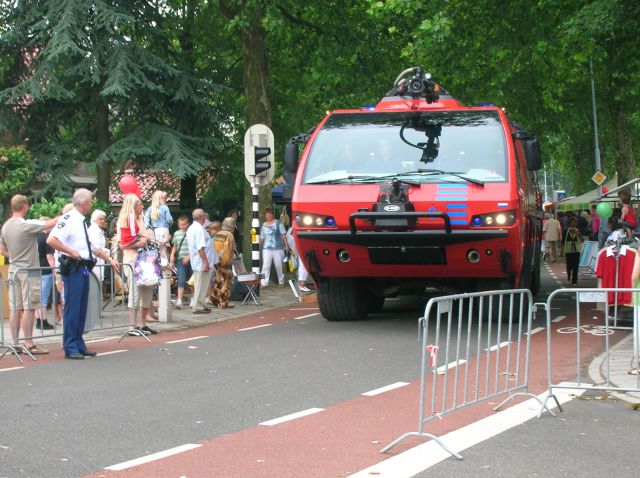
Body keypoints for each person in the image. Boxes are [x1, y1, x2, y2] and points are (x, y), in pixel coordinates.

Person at [47, 189, 119, 359]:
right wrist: (71, 251)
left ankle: (78, 343)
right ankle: (70, 346)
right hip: (73, 268)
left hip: (83, 268)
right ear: (85, 203)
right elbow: (52, 239)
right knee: (73, 307)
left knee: (81, 307)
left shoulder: (81, 221)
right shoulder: (69, 219)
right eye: (91, 201)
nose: (92, 204)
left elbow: (91, 245)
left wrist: (108, 258)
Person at [0, 195, 59, 355]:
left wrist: (11, 256)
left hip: (14, 270)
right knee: (30, 307)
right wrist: (65, 214)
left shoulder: (6, 226)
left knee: (15, 308)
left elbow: (2, 249)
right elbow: (49, 223)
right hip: (29, 271)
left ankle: (16, 344)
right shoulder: (25, 225)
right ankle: (29, 343)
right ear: (25, 205)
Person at [115, 193, 157, 336]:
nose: (142, 206)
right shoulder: (125, 222)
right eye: (139, 204)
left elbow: (146, 238)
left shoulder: (141, 220)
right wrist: (143, 240)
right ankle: (131, 327)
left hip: (146, 261)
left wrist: (144, 239)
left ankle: (142, 324)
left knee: (147, 292)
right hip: (132, 261)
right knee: (135, 292)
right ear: (133, 206)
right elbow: (124, 244)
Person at [186, 208, 218, 313]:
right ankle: (197, 306)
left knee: (202, 283)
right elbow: (201, 248)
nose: (205, 217)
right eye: (204, 215)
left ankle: (201, 303)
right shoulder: (199, 229)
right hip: (201, 262)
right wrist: (206, 262)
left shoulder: (191, 228)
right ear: (201, 217)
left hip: (197, 260)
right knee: (201, 284)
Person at [86, 209, 110, 330]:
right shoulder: (93, 231)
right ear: (94, 220)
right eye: (100, 219)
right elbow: (96, 247)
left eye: (103, 219)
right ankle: (93, 311)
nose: (103, 221)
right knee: (94, 286)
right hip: (96, 261)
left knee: (98, 285)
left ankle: (96, 310)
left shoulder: (97, 230)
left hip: (100, 261)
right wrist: (108, 253)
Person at [210, 217, 236, 309]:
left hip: (216, 261)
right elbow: (228, 250)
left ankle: (214, 299)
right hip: (224, 262)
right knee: (226, 282)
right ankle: (223, 302)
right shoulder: (229, 235)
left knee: (218, 281)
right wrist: (228, 262)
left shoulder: (218, 234)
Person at [259, 207, 288, 287]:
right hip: (266, 248)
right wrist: (258, 244)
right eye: (266, 215)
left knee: (278, 265)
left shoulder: (279, 223)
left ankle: (281, 281)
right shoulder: (264, 225)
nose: (268, 216)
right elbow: (262, 237)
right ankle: (264, 283)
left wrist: (286, 245)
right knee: (266, 265)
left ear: (272, 215)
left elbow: (283, 235)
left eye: (269, 214)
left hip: (278, 248)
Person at [35, 217, 55, 330]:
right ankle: (44, 321)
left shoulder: (35, 237)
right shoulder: (47, 239)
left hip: (35, 269)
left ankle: (38, 320)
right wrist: (55, 270)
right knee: (44, 297)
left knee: (38, 297)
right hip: (46, 269)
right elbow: (50, 257)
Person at [169, 215, 191, 309]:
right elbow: (175, 246)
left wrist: (189, 257)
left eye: (184, 224)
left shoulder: (191, 233)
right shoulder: (177, 233)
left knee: (192, 280)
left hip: (191, 259)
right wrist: (171, 257)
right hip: (180, 259)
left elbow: (194, 247)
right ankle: (179, 300)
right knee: (181, 279)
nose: (183, 226)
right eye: (181, 225)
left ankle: (194, 299)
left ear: (188, 224)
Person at [286, 225, 310, 292]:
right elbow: (293, 239)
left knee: (303, 265)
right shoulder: (295, 228)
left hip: (300, 247)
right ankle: (301, 283)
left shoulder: (293, 228)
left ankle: (301, 282)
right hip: (299, 247)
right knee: (303, 265)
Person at [563, 217, 584, 286]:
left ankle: (574, 280)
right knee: (569, 266)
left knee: (575, 266)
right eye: (572, 222)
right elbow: (563, 241)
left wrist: (578, 233)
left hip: (576, 251)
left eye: (575, 222)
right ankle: (569, 277)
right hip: (568, 251)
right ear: (570, 223)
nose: (574, 223)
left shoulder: (578, 231)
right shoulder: (566, 231)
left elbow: (582, 240)